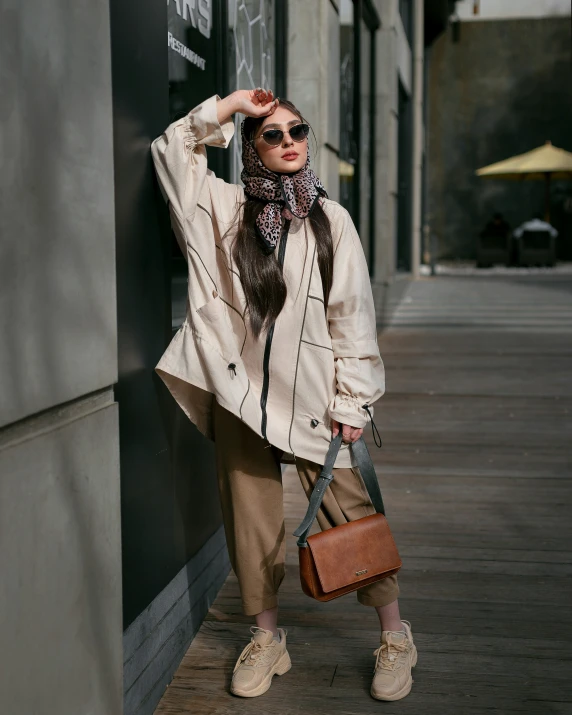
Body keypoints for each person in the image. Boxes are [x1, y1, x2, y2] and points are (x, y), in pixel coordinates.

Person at [151, 87, 416, 702]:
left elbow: (353, 314)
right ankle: (268, 640)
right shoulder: (223, 208)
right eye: (272, 134)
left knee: (352, 515)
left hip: (318, 400)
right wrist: (236, 103)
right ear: (252, 146)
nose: (289, 142)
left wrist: (353, 401)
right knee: (251, 523)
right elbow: (172, 149)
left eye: (297, 131)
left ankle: (396, 636)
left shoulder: (331, 219)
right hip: (241, 397)